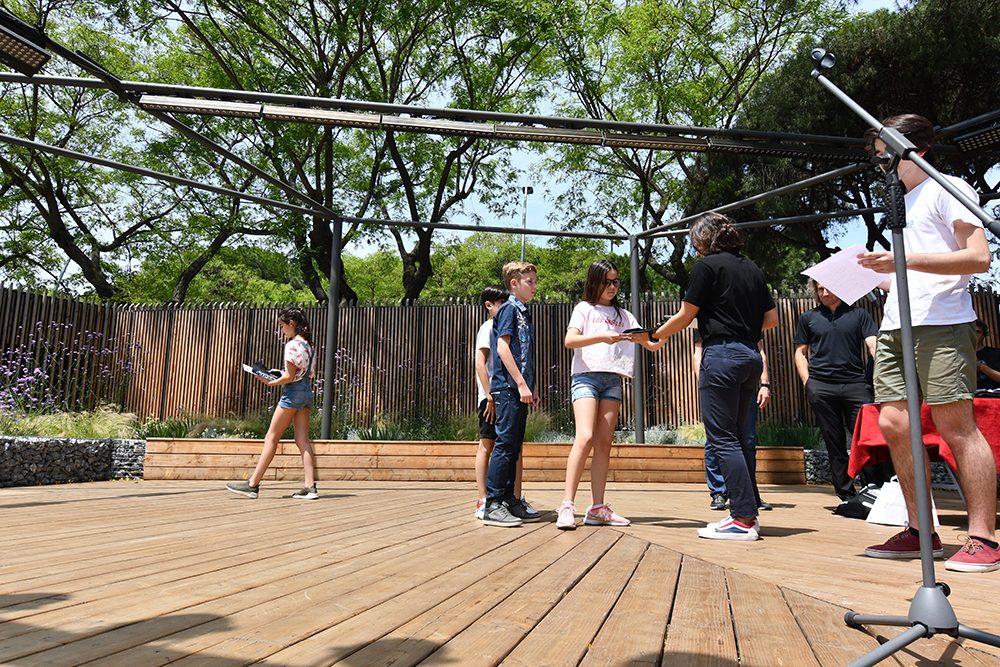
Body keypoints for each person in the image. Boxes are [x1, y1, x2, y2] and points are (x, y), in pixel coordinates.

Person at [857, 113, 998, 572]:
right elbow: (908, 272)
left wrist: (902, 259)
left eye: (886, 155)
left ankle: (984, 537)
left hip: (942, 323)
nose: (880, 164)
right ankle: (920, 531)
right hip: (896, 324)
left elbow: (978, 257)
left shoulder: (947, 187)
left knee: (956, 426)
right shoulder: (903, 201)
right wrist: (873, 274)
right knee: (894, 423)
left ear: (914, 150)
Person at [653, 212, 778, 541]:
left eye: (695, 240)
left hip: (721, 356)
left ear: (704, 239)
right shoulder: (753, 269)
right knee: (738, 437)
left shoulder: (706, 267)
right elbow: (771, 320)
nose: (695, 247)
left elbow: (686, 315)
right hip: (750, 356)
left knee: (723, 439)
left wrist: (655, 335)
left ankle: (742, 519)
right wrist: (741, 325)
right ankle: (746, 513)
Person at [556, 259, 665, 530]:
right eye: (607, 282)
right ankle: (567, 505)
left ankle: (597, 508)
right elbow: (570, 340)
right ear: (595, 282)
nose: (612, 287)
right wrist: (602, 337)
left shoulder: (624, 315)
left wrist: (663, 333)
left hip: (612, 380)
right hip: (586, 377)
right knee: (585, 437)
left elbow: (651, 344)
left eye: (616, 282)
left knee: (604, 442)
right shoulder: (584, 308)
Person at [793, 279, 884, 500]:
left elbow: (873, 345)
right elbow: (800, 353)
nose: (825, 293)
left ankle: (874, 489)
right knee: (834, 442)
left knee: (865, 439)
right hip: (822, 387)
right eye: (820, 289)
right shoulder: (808, 318)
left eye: (829, 288)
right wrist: (808, 383)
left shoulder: (859, 315)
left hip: (856, 385)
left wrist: (878, 372)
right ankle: (846, 494)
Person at [226, 307, 318, 500]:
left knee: (271, 437)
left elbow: (289, 377)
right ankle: (310, 487)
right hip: (306, 392)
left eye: (282, 326)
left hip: (292, 393)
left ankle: (252, 485)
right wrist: (279, 374)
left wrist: (270, 381)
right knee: (302, 440)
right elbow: (304, 373)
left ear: (292, 324)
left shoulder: (291, 346)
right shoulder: (309, 345)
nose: (281, 330)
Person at [482, 261, 540, 527]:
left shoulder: (523, 312)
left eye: (535, 281)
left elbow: (524, 353)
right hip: (507, 388)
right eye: (530, 282)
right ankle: (493, 504)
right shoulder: (508, 309)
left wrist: (531, 385)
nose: (535, 286)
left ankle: (509, 500)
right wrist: (520, 384)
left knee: (513, 446)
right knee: (505, 445)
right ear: (514, 284)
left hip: (518, 388)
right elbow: (503, 349)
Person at [693, 333, 773, 512]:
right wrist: (705, 381)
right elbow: (698, 353)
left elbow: (760, 350)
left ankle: (750, 493)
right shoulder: (709, 320)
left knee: (748, 440)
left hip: (745, 382)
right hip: (716, 381)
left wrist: (765, 384)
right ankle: (719, 491)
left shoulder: (749, 318)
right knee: (716, 439)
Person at [975, 319, 1000, 391]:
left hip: (991, 395)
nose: (974, 335)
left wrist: (982, 367)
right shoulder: (959, 356)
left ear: (984, 335)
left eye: (977, 332)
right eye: (971, 332)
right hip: (967, 396)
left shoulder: (995, 353)